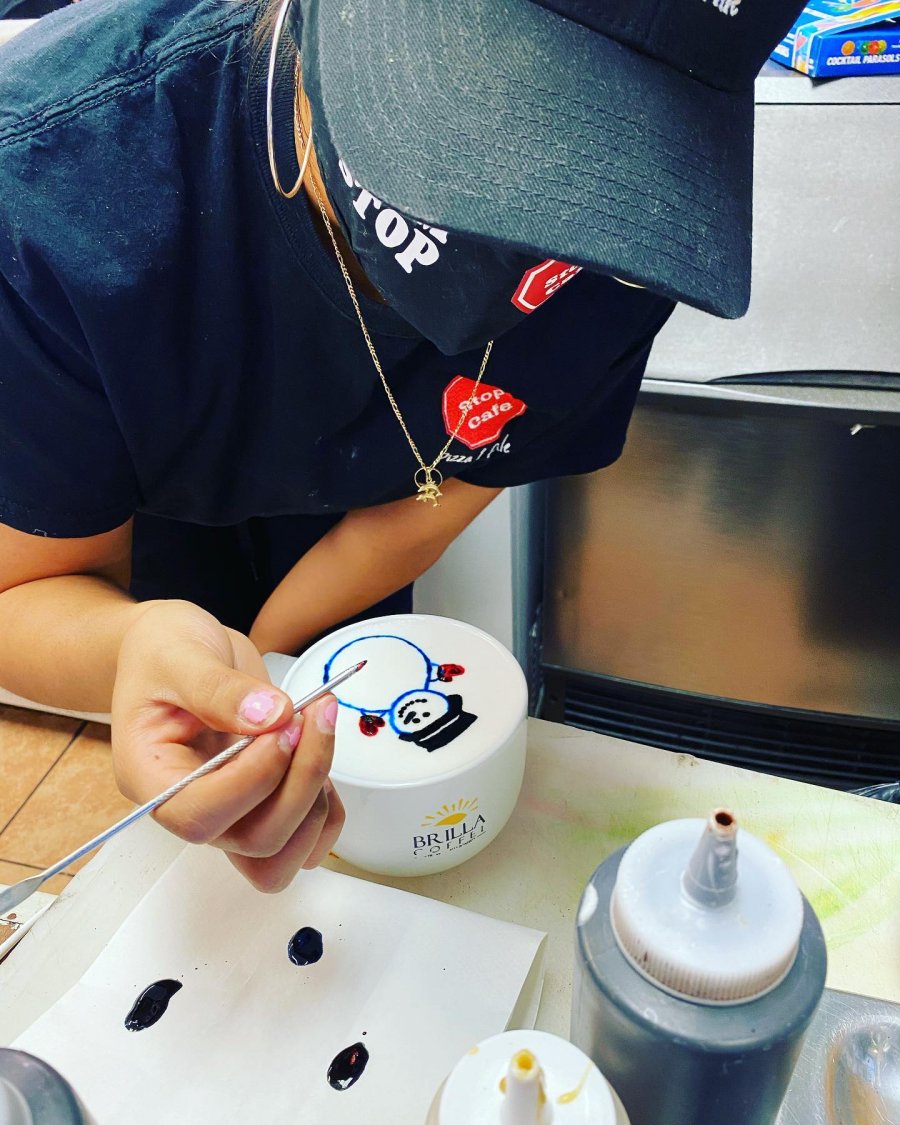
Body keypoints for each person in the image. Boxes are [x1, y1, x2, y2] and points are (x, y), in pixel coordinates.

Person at [0, 0, 805, 891]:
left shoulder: (627, 242)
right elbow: (26, 587)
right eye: (481, 116)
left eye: (597, 164)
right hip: (136, 521)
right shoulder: (49, 188)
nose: (528, 242)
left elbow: (425, 507)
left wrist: (272, 675)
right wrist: (138, 649)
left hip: (354, 533)